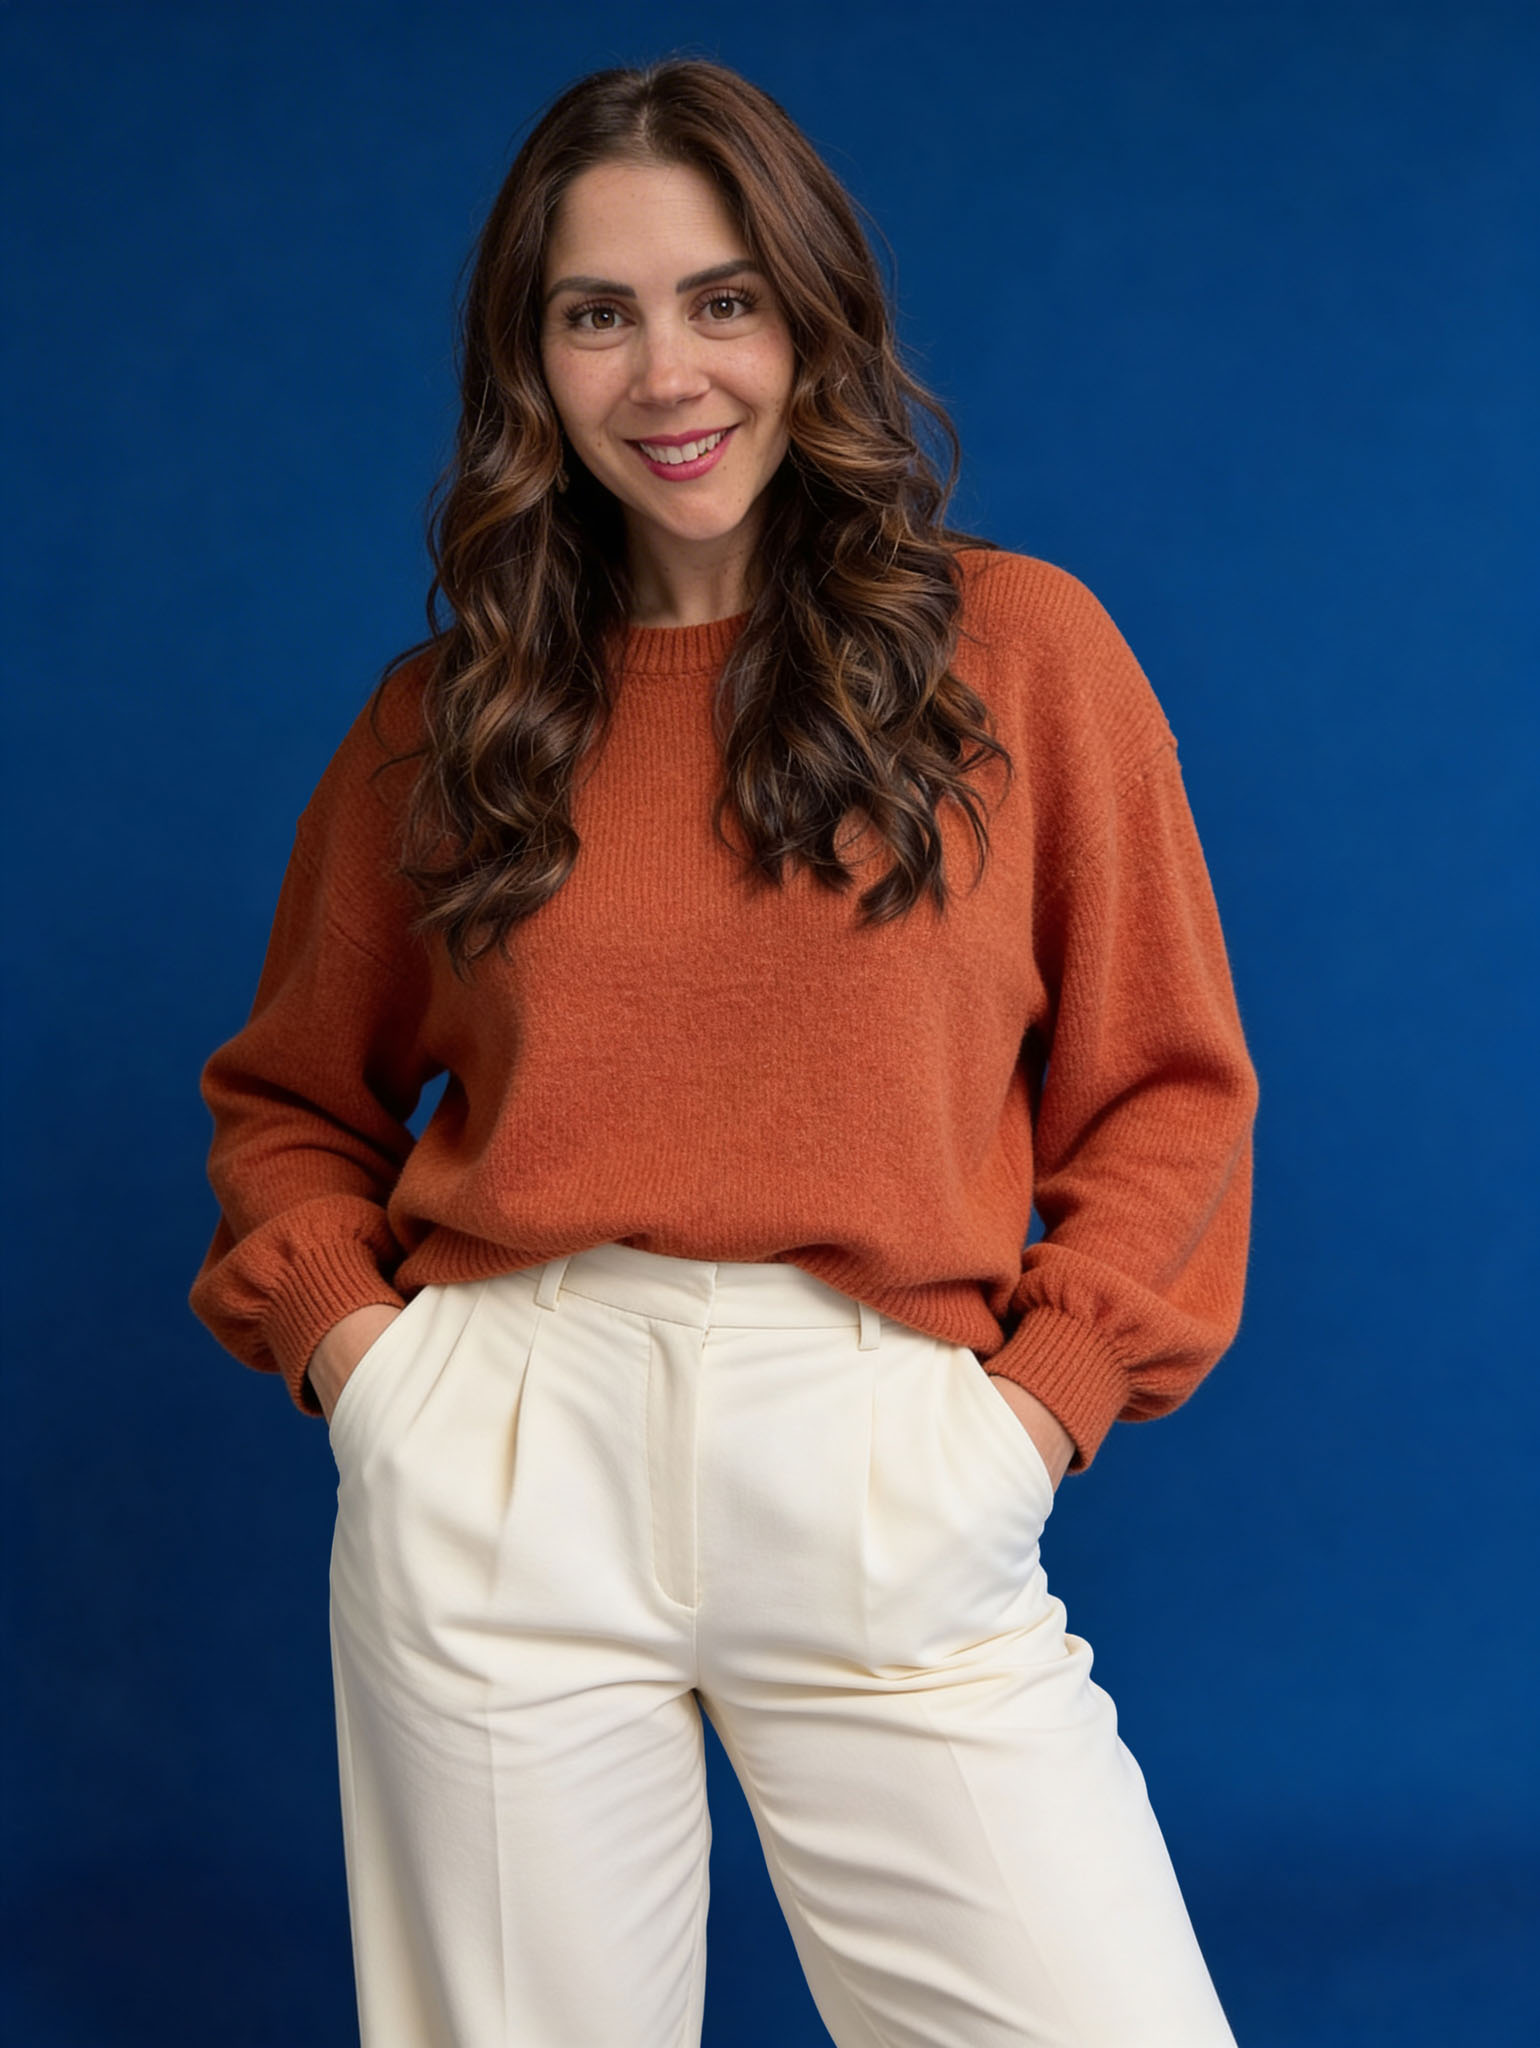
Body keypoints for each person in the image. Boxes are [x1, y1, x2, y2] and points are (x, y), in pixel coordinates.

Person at [189, 55, 1259, 2048]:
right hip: (506, 1454)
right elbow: (285, 1106)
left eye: (720, 299)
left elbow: (1167, 1088)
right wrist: (382, 1377)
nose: (665, 371)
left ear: (808, 321)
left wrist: (1026, 1415)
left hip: (880, 1453)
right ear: (535, 362)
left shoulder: (1016, 657)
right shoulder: (452, 719)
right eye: (597, 312)